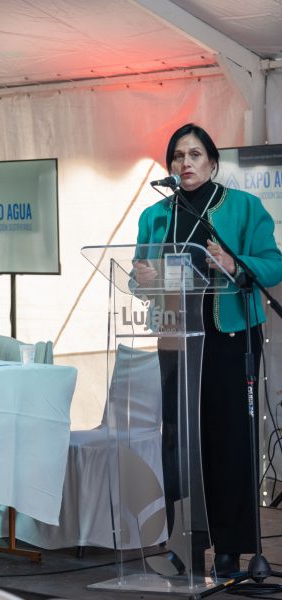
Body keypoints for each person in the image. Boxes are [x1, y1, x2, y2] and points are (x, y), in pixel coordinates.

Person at [136, 123, 282, 578]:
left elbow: (273, 264)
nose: (185, 163)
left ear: (212, 163)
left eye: (195, 154)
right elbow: (137, 272)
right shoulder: (156, 215)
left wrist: (235, 263)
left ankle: (230, 548)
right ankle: (185, 540)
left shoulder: (243, 207)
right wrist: (143, 279)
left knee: (229, 442)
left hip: (229, 340)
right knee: (179, 444)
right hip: (176, 339)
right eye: (178, 156)